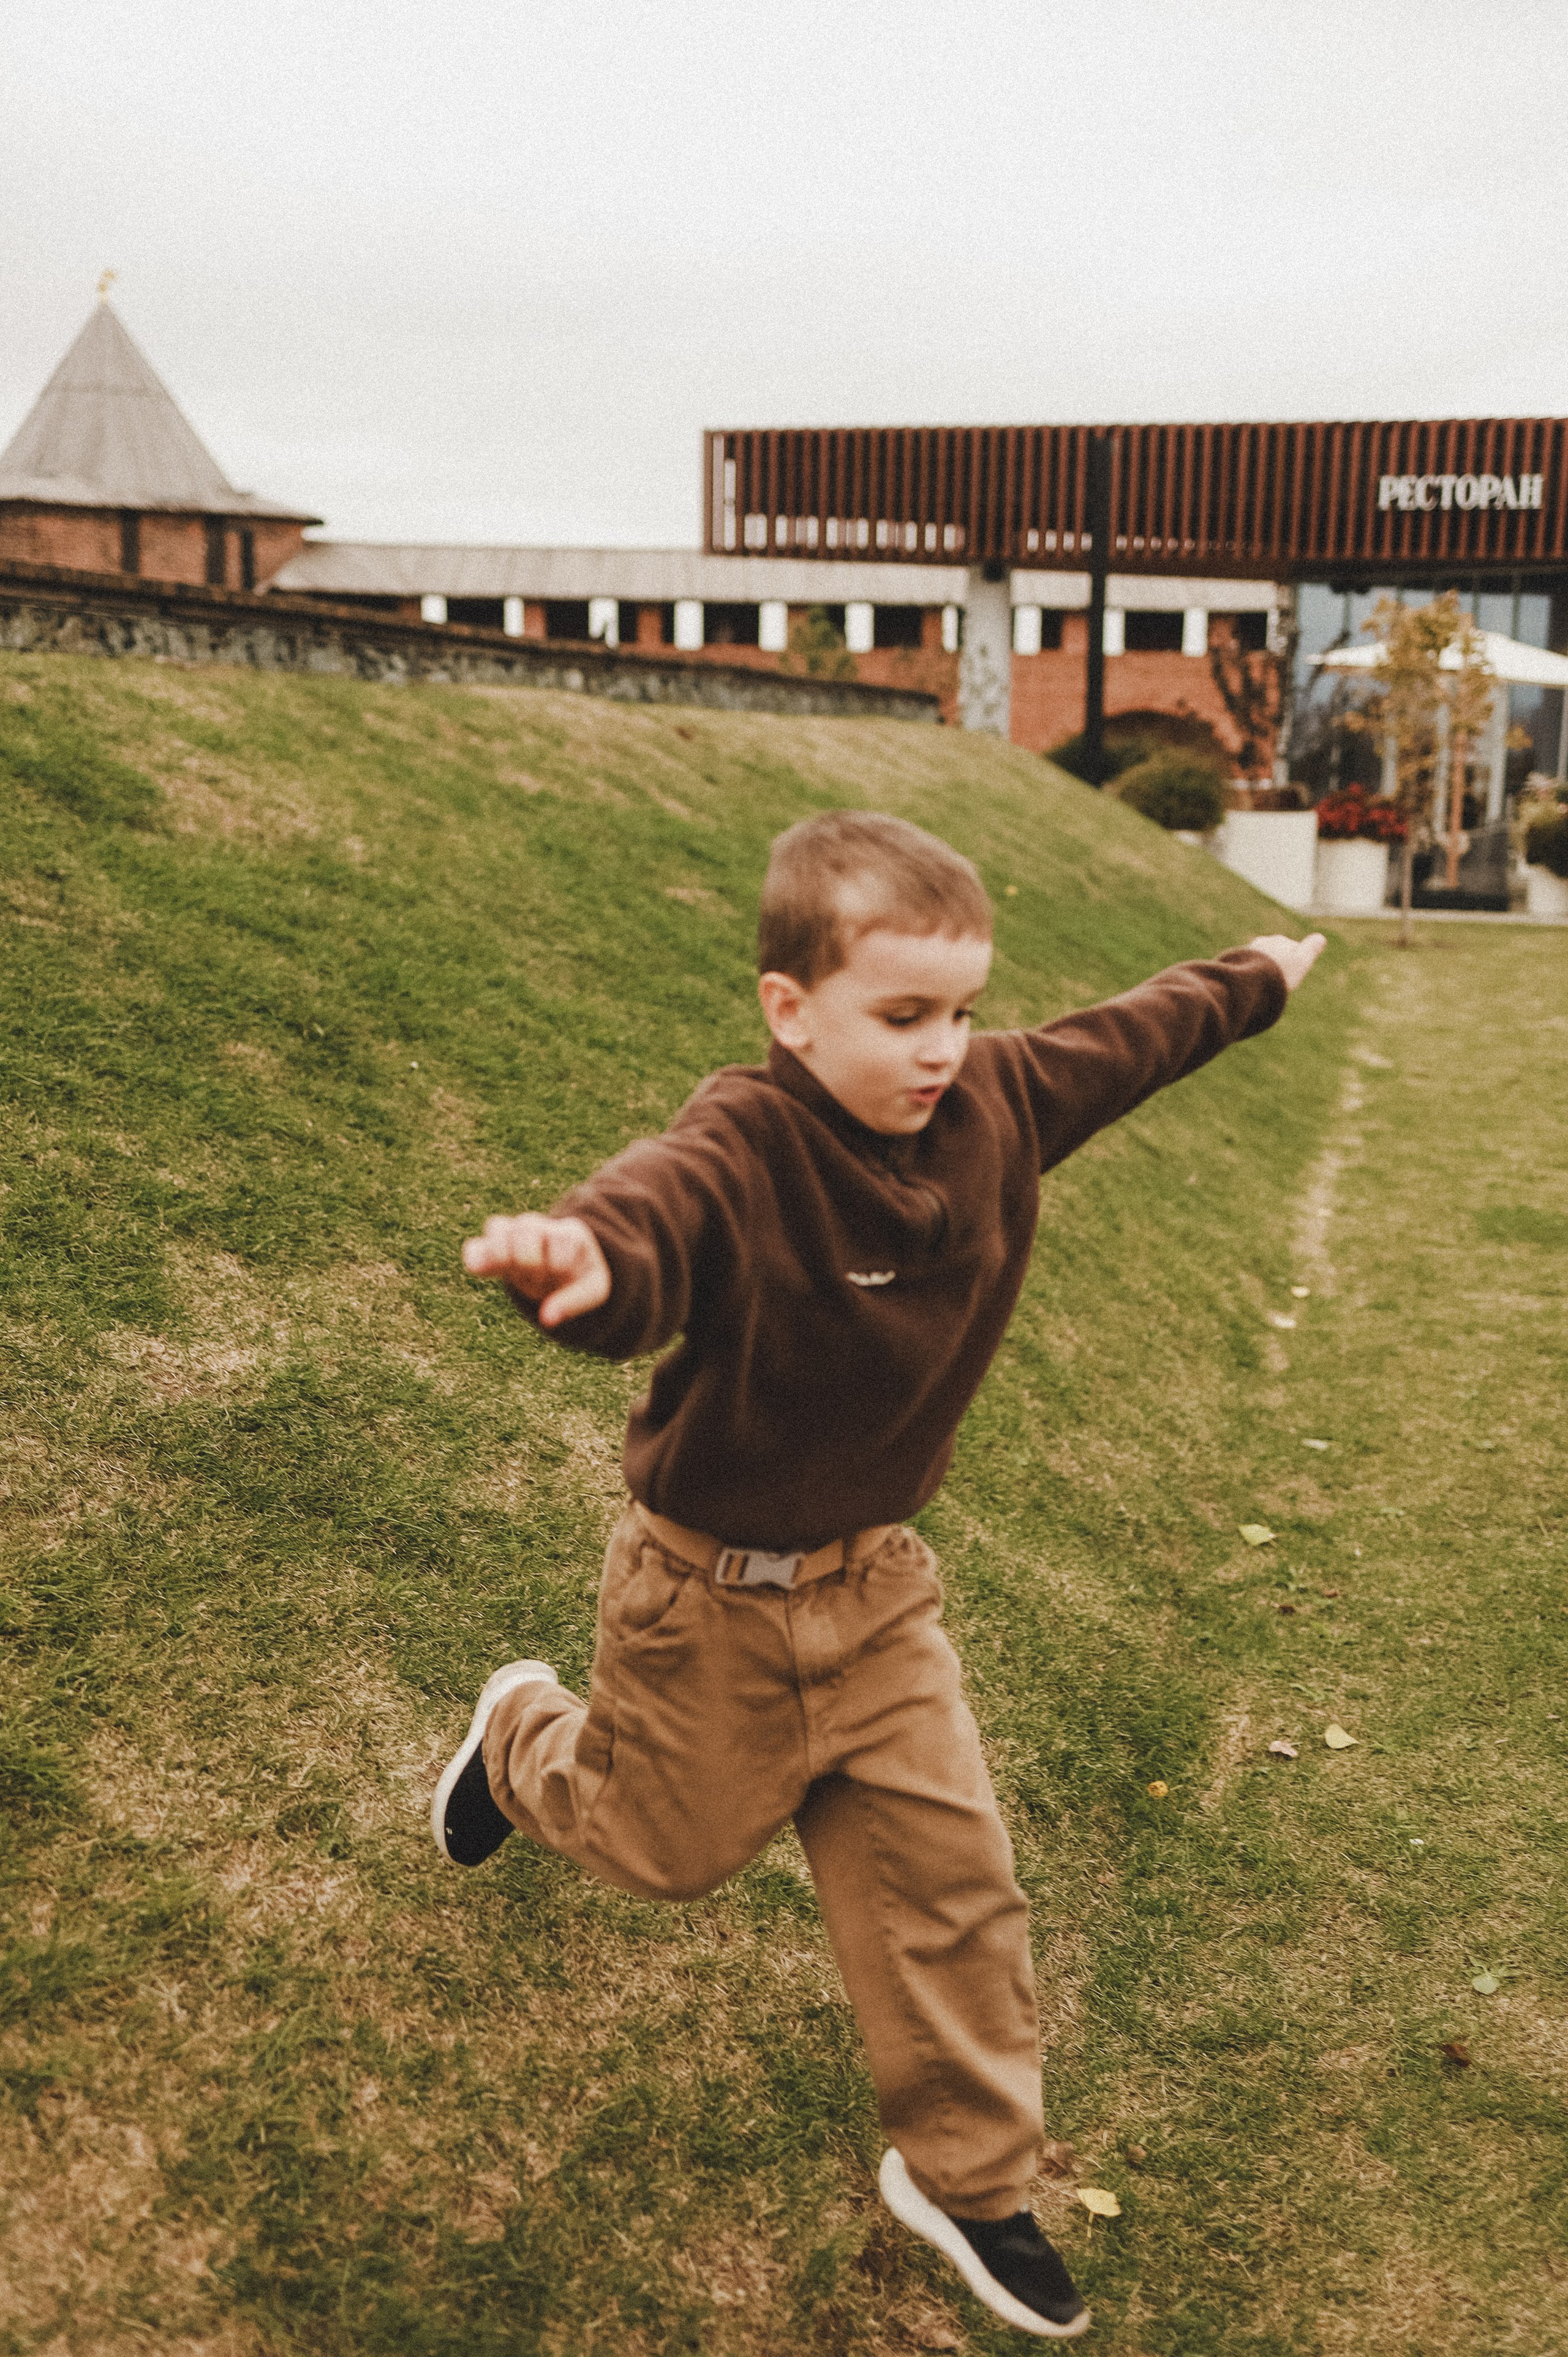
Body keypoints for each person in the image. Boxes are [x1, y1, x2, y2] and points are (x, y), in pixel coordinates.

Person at [434, 809, 1324, 2340]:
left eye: (962, 1009)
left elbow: (1138, 1033)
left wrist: (1254, 973)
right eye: (901, 1015)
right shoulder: (747, 1141)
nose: (941, 1049)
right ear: (790, 1007)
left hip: (877, 1594)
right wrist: (584, 1270)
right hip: (704, 1596)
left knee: (952, 1883)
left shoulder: (995, 1098)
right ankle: (521, 1728)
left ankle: (969, 2178)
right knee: (661, 1850)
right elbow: (650, 1216)